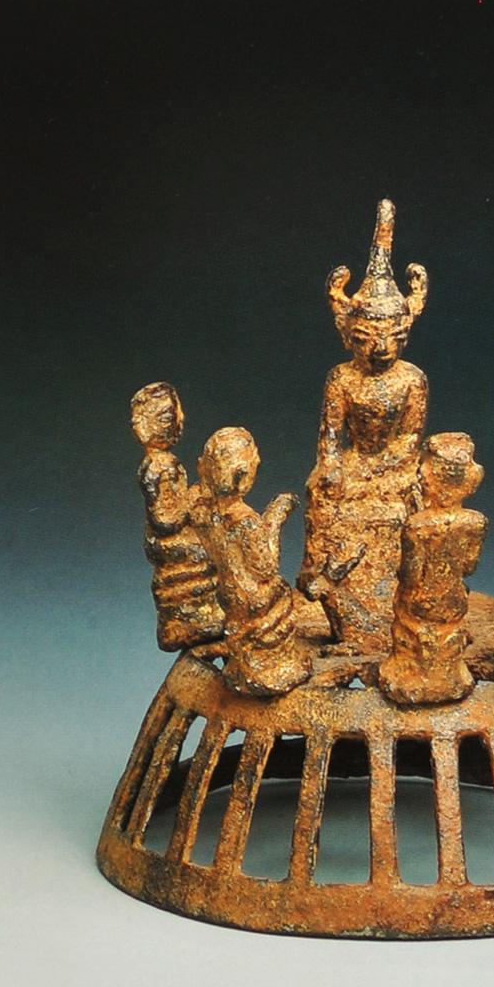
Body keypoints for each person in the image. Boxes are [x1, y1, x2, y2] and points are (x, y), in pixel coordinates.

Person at [298, 199, 429, 654]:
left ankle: (406, 598)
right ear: (346, 333)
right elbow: (330, 439)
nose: (380, 349)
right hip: (353, 467)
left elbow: (410, 440)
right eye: (366, 338)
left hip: (393, 470)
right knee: (321, 494)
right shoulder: (341, 378)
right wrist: (333, 469)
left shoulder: (412, 380)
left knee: (412, 502)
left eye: (393, 338)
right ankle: (323, 585)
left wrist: (379, 470)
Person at [188, 427, 311, 696]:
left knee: (240, 625)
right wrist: (276, 517)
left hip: (227, 593)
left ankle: (241, 664)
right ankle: (270, 667)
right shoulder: (245, 520)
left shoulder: (199, 510)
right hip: (252, 596)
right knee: (281, 593)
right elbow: (265, 567)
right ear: (243, 476)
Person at [378, 434, 487, 704]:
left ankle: (409, 675)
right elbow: (469, 567)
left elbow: (411, 577)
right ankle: (451, 675)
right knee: (448, 634)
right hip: (454, 603)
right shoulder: (476, 522)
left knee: (406, 616)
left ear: (430, 477)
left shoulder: (417, 527)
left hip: (420, 604)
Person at [130, 381, 223, 651]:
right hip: (166, 542)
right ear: (143, 425)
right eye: (165, 418)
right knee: (206, 551)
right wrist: (194, 498)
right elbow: (164, 521)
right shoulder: (159, 468)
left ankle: (204, 613)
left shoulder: (166, 463)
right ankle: (191, 621)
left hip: (172, 536)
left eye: (175, 416)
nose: (174, 424)